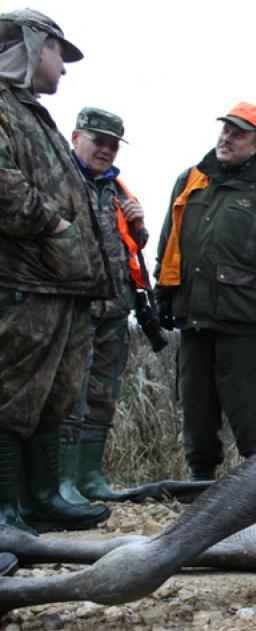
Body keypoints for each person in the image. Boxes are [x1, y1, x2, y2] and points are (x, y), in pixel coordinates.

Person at [153, 102, 256, 481]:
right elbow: (170, 241)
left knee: (255, 410)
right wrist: (164, 289)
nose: (227, 138)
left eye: (239, 133)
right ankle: (201, 480)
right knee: (197, 406)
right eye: (225, 129)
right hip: (192, 315)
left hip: (244, 319)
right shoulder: (189, 180)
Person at [0, 8, 112, 533]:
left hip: (63, 285)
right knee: (11, 394)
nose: (62, 69)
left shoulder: (31, 112)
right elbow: (6, 189)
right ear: (30, 44)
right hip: (22, 282)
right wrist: (57, 225)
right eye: (56, 54)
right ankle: (5, 509)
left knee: (52, 398)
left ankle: (42, 498)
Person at [56, 107, 147, 504]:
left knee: (103, 395)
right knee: (68, 395)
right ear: (76, 138)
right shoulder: (60, 180)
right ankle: (62, 482)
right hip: (73, 308)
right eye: (99, 142)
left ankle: (90, 477)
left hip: (115, 310)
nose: (106, 151)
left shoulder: (118, 190)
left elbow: (130, 247)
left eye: (112, 145)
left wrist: (140, 227)